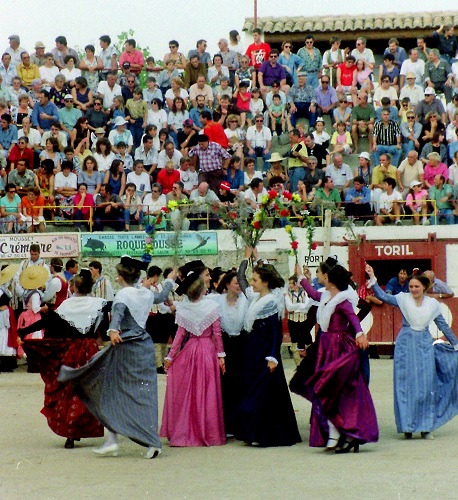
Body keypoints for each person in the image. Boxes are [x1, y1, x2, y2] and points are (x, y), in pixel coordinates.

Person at [59, 257, 177, 459]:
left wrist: (113, 330)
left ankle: (114, 440)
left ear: (121, 277)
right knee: (144, 394)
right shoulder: (146, 293)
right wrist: (169, 279)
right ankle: (145, 441)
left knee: (109, 389)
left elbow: (119, 315)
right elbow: (163, 296)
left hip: (126, 345)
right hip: (144, 346)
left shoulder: (123, 294)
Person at [365, 264, 458, 440]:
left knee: (426, 385)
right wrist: (373, 278)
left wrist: (455, 344)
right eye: (411, 287)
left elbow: (442, 325)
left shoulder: (432, 304)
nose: (413, 289)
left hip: (424, 343)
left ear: (424, 287)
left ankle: (426, 427)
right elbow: (383, 296)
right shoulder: (402, 299)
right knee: (405, 386)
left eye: (416, 286)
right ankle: (407, 426)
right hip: (405, 344)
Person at [297, 260, 378, 452]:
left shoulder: (342, 300)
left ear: (331, 281)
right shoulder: (326, 295)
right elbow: (312, 292)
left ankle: (341, 432)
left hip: (338, 346)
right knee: (326, 388)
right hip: (325, 345)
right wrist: (301, 278)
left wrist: (359, 334)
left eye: (325, 277)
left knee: (335, 389)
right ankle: (335, 433)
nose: (322, 278)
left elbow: (352, 318)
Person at [20, 269, 106, 449]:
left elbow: (46, 322)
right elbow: (104, 329)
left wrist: (23, 332)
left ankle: (71, 432)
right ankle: (96, 426)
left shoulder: (66, 306)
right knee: (92, 388)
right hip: (90, 349)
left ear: (74, 286)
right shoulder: (100, 304)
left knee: (70, 389)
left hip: (73, 349)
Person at [232, 247, 301, 447]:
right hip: (253, 348)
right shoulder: (255, 297)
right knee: (254, 388)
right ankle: (254, 432)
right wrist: (246, 259)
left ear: (265, 282)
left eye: (256, 280)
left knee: (265, 392)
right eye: (252, 279)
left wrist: (273, 356)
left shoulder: (272, 301)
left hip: (264, 351)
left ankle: (267, 434)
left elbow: (276, 333)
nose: (251, 283)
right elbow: (241, 278)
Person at [160, 266, 226, 447]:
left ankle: (187, 429)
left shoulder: (183, 309)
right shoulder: (212, 306)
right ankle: (209, 432)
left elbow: (179, 337)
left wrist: (170, 358)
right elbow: (217, 334)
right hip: (208, 351)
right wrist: (221, 355)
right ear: (202, 289)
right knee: (208, 392)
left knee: (189, 393)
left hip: (189, 351)